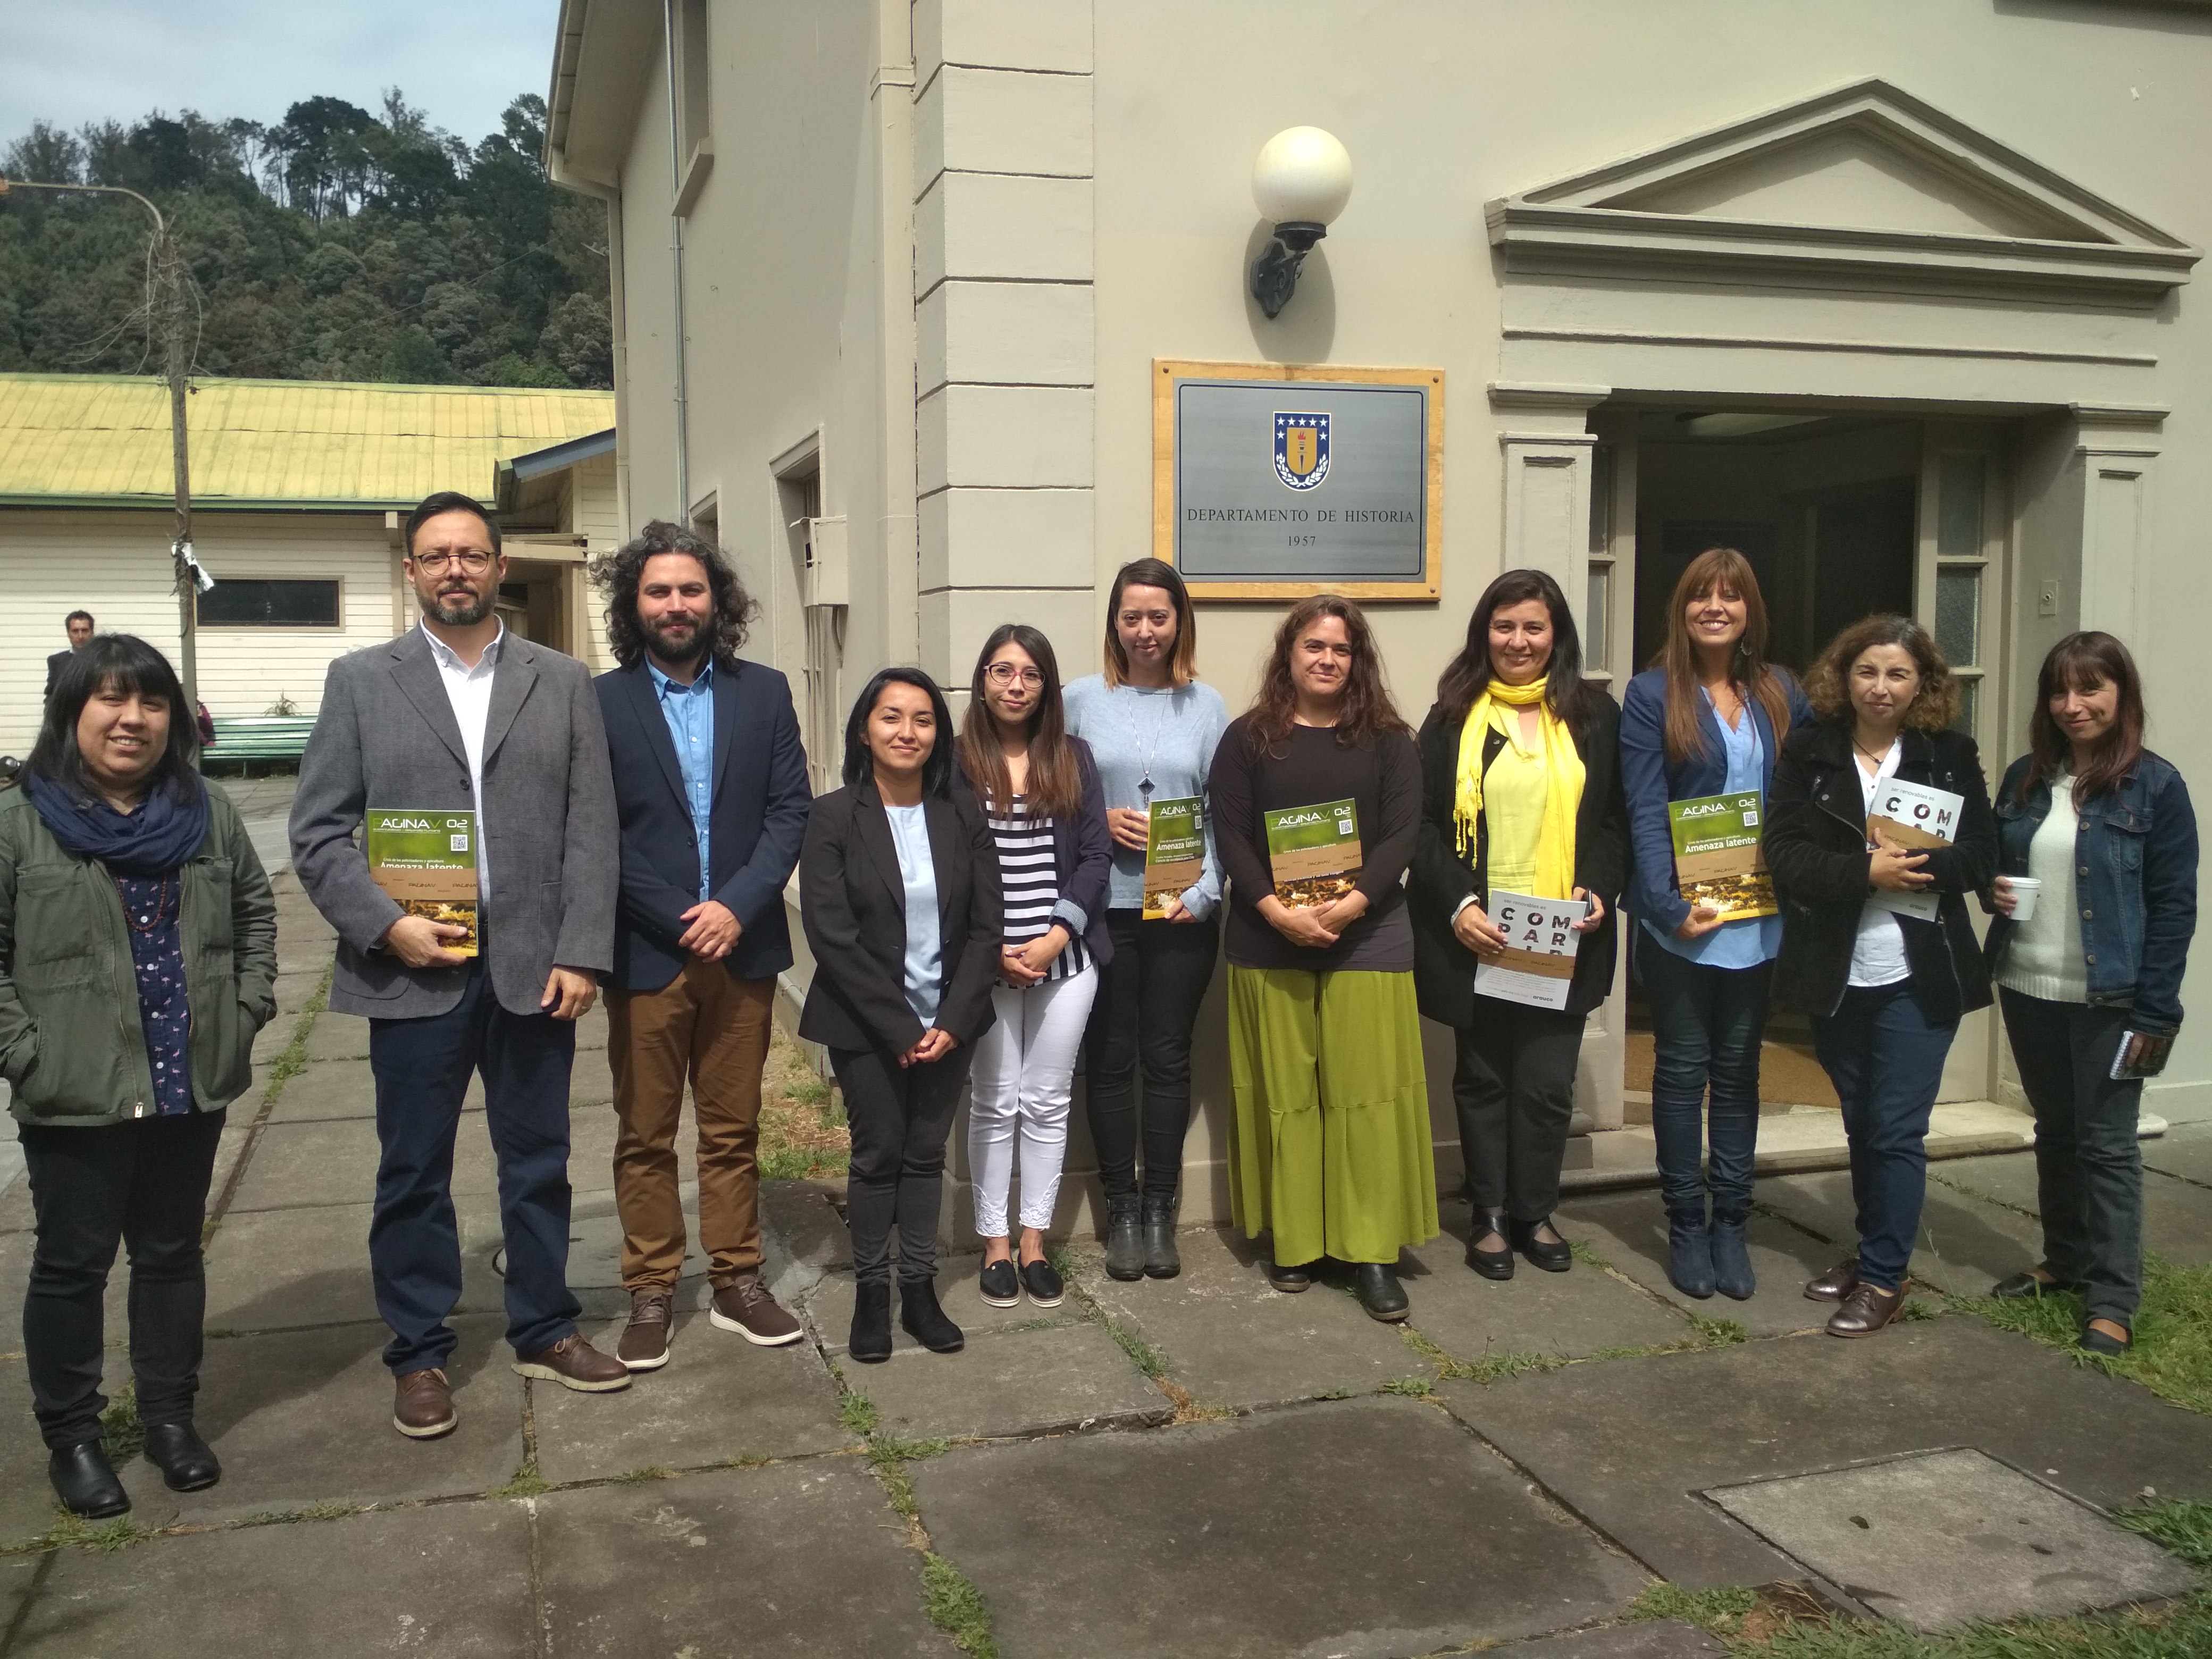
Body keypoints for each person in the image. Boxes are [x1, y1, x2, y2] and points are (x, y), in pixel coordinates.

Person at [291, 490, 627, 1438]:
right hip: (413, 969)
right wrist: (382, 925)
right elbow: (317, 833)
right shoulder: (362, 681)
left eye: (471, 554)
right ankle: (420, 1351)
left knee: (539, 1162)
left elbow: (591, 828)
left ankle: (545, 1326)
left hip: (532, 968)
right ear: (412, 571)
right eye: (436, 556)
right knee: (413, 1170)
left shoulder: (562, 681)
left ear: (500, 566)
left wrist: (582, 953)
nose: (455, 570)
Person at [4, 636, 276, 1517]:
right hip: (74, 1090)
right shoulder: (20, 821)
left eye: (151, 703)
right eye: (111, 701)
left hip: (186, 1079)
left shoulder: (207, 811)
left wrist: (245, 1011)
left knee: (169, 1256)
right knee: (71, 1264)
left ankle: (168, 1418)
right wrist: (26, 1051)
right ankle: (74, 1438)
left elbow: (254, 911)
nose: (132, 720)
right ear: (73, 713)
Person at [591, 521, 812, 1371]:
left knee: (732, 1128)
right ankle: (651, 1287)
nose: (676, 604)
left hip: (743, 951)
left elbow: (790, 809)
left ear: (717, 600)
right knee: (646, 1133)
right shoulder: (601, 703)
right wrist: (685, 915)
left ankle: (736, 1279)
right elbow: (599, 831)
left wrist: (737, 907)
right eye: (659, 591)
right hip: (650, 952)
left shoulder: (765, 694)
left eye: (691, 589)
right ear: (634, 605)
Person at [1765, 615, 1996, 1338]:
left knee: (1896, 1129)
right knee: (1862, 1123)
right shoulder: (1810, 750)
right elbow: (1785, 853)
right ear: (1844, 677)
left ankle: (1886, 1279)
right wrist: (1864, 871)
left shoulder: (1949, 756)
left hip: (1918, 973)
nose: (1880, 686)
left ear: (1921, 683)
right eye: (1867, 671)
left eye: (1898, 673)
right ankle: (1872, 1253)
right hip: (1837, 972)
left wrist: (1914, 867)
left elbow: (1980, 855)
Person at [1211, 595, 1434, 1320]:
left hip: (1367, 938)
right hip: (1267, 938)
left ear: (1357, 660)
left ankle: (1370, 1252)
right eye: (1314, 646)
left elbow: (1402, 835)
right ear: (1290, 654)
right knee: (1287, 1098)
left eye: (1341, 649)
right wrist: (1275, 910)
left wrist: (1349, 906)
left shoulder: (1391, 741)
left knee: (1364, 1097)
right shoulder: (1247, 739)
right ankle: (1298, 1241)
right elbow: (1230, 834)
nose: (1328, 659)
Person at [1984, 632, 2197, 1356]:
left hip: (2114, 998)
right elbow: (1995, 867)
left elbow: (2173, 906)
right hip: (2027, 983)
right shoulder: (2025, 778)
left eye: (2089, 689)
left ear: (2121, 694)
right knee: (2055, 1131)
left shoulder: (2156, 786)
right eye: (2059, 691)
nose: (2073, 705)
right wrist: (1993, 890)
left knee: (2107, 1147)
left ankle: (2112, 1298)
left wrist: (2156, 1011)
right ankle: (2066, 1261)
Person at [1411, 569, 1626, 1280]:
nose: (1518, 640)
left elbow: (1615, 820)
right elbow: (1422, 826)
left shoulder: (1593, 716)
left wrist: (1598, 887)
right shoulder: (1452, 717)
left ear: (1555, 635)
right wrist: (1459, 905)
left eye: (1534, 627)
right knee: (1482, 1080)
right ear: (1485, 634)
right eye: (1504, 627)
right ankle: (1490, 1214)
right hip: (1480, 934)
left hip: (1562, 936)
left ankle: (1536, 1211)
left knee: (1545, 1085)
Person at [1619, 548, 1812, 1301]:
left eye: (1731, 596)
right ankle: (1685, 1224)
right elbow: (1643, 806)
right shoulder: (1650, 694)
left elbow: (1813, 788)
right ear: (1683, 608)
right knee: (1680, 1072)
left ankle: (1731, 1221)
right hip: (1684, 919)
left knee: (1737, 1072)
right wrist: (1667, 906)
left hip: (1756, 916)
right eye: (1702, 595)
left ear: (1749, 611)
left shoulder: (1781, 691)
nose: (1716, 607)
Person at [799, 668, 1001, 1362]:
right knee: (878, 1152)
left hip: (950, 1023)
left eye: (922, 719)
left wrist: (952, 1019)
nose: (906, 731)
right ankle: (871, 1292)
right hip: (865, 1025)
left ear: (938, 735)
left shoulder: (962, 813)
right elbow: (831, 935)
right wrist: (901, 1028)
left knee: (925, 1154)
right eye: (891, 717)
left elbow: (987, 928)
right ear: (865, 729)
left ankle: (918, 1288)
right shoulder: (832, 816)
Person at [1064, 559, 1227, 1279]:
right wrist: (1097, 820)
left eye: (1158, 616)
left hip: (1182, 912)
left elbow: (1226, 812)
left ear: (1179, 622)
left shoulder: (1208, 706)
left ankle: (1160, 1209)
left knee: (1167, 1058)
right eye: (1131, 617)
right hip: (1103, 911)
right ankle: (1121, 1211)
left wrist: (1208, 891)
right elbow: (1046, 794)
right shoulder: (1078, 700)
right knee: (1108, 1059)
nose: (1145, 630)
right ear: (1114, 624)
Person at [954, 626, 1112, 1309]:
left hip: (1064, 960)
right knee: (993, 1100)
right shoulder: (956, 761)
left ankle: (1033, 1242)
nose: (1015, 686)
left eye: (1030, 674)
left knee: (1047, 1103)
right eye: (1001, 671)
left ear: (1047, 686)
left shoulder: (1072, 757)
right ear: (982, 680)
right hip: (984, 963)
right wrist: (989, 948)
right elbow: (947, 864)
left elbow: (1096, 857)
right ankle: (993, 1245)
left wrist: (1054, 937)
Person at [44, 610, 94, 700]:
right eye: (75, 631)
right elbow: (51, 694)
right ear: (68, 633)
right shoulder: (56, 661)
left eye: (85, 631)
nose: (80, 636)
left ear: (92, 632)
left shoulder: (105, 659)